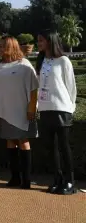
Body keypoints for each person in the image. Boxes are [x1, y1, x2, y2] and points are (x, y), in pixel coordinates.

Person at [0, 35, 38, 189]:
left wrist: (32, 108)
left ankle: (27, 179)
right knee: (10, 141)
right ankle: (15, 178)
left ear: (11, 46)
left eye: (2, 46)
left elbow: (34, 88)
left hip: (23, 111)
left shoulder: (24, 64)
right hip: (4, 111)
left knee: (23, 142)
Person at [36, 30, 78, 195]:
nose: (38, 43)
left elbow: (71, 86)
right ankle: (57, 179)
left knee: (63, 146)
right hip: (45, 109)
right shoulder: (41, 60)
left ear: (50, 41)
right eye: (38, 40)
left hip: (62, 109)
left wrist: (71, 106)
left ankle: (69, 181)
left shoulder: (64, 61)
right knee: (50, 148)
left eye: (41, 40)